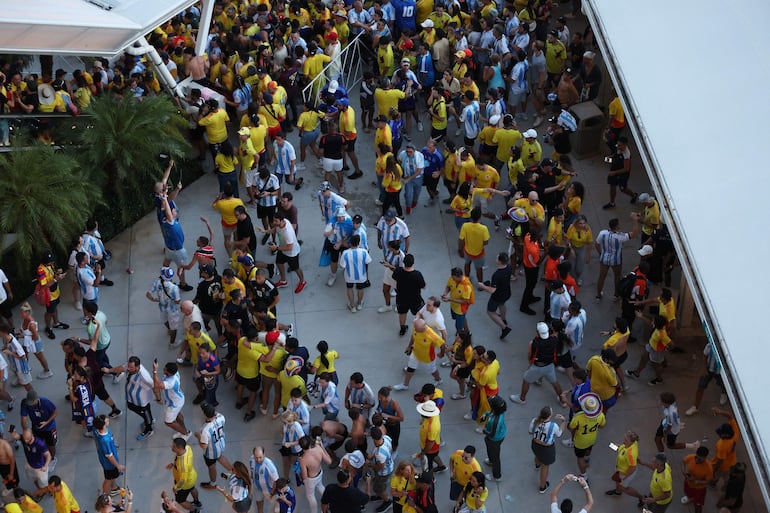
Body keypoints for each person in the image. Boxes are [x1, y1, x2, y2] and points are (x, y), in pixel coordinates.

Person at [510, 322, 564, 405]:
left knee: (526, 380)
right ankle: (562, 400)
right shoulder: (554, 339)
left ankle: (522, 398)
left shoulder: (534, 343)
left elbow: (530, 355)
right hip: (550, 366)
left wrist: (530, 364)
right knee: (554, 382)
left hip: (538, 366)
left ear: (538, 332)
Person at [594, 215, 639, 302]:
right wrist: (635, 221)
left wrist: (601, 253)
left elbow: (597, 243)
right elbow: (635, 233)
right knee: (617, 277)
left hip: (604, 258)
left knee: (601, 277)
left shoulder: (602, 233)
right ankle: (616, 295)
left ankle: (598, 295)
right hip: (616, 260)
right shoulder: (620, 236)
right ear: (617, 226)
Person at [392, 319, 446, 391]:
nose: (416, 330)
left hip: (428, 357)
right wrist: (409, 346)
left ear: (424, 328)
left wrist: (442, 353)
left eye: (418, 330)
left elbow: (442, 344)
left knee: (432, 370)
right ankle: (405, 385)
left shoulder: (432, 335)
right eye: (415, 328)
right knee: (410, 367)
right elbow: (413, 336)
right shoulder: (416, 327)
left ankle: (438, 380)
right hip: (416, 352)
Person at [567, 393, 605, 480]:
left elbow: (571, 427)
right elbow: (602, 426)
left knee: (580, 458)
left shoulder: (578, 417)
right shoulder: (600, 415)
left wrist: (573, 436)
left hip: (580, 441)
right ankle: (587, 459)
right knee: (588, 450)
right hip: (592, 438)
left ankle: (584, 475)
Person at [529, 406, 566, 493]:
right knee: (545, 466)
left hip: (535, 444)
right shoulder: (553, 426)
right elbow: (559, 434)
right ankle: (542, 486)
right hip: (547, 449)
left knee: (537, 455)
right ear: (550, 415)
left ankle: (537, 465)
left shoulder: (534, 420)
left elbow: (530, 431)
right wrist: (564, 421)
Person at [195, 403, 232, 490]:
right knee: (220, 457)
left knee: (211, 466)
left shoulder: (205, 430)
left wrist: (198, 436)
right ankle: (233, 472)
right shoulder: (221, 417)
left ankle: (213, 484)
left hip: (211, 452)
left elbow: (203, 446)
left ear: (204, 414)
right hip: (221, 444)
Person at [269, 213, 307, 293]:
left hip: (291, 253)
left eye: (276, 221)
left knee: (295, 268)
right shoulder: (281, 223)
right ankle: (283, 281)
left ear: (282, 221)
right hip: (283, 248)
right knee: (279, 262)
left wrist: (276, 248)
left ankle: (302, 282)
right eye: (274, 220)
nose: (274, 222)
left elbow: (290, 247)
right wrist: (265, 231)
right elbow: (275, 229)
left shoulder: (287, 232)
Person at [478, 253, 513, 339]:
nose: (496, 258)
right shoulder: (509, 267)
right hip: (506, 292)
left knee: (490, 312)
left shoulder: (497, 275)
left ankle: (504, 327)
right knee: (502, 304)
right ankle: (503, 319)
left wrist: (482, 286)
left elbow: (492, 290)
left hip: (497, 296)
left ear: (500, 262)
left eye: (497, 257)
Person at [36, 251, 69, 340]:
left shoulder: (50, 265)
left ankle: (56, 323)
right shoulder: (40, 270)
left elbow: (52, 275)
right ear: (46, 261)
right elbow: (43, 285)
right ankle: (48, 328)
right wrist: (56, 279)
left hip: (55, 292)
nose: (53, 262)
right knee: (49, 312)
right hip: (49, 296)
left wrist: (57, 273)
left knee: (55, 308)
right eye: (51, 261)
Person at [146, 267, 182, 347]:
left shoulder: (157, 282)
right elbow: (177, 301)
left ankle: (169, 329)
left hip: (162, 307)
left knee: (164, 320)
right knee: (174, 327)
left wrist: (154, 299)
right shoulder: (174, 287)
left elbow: (148, 294)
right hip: (172, 309)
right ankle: (172, 343)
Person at [19, 390, 58, 464]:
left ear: (37, 399)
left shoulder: (45, 402)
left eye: (32, 402)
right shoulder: (25, 402)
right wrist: (26, 430)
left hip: (49, 427)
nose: (30, 405)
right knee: (38, 444)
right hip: (36, 427)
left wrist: (47, 422)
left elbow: (56, 412)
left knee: (51, 445)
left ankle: (52, 459)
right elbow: (23, 418)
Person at [339, 234, 372, 313]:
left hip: (349, 276)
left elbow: (342, 265)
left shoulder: (345, 253)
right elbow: (368, 261)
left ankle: (352, 306)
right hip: (361, 276)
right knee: (360, 289)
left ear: (350, 243)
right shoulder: (364, 252)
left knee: (349, 288)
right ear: (358, 243)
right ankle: (359, 304)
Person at [602, 136, 637, 209]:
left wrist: (614, 172)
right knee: (612, 185)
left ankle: (633, 195)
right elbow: (614, 156)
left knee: (623, 189)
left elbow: (626, 169)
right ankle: (612, 203)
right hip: (615, 168)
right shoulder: (617, 147)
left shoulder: (626, 154)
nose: (618, 146)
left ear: (625, 145)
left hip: (622, 173)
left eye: (620, 145)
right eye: (618, 144)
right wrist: (609, 159)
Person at [93, 415, 124, 494]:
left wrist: (113, 445)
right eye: (107, 421)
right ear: (103, 425)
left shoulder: (96, 430)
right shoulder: (105, 440)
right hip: (109, 464)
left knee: (111, 476)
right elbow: (110, 457)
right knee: (108, 479)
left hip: (104, 458)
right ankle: (104, 496)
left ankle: (114, 488)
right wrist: (118, 466)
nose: (108, 420)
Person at [168, 438, 201, 512]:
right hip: (192, 476)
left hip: (185, 484)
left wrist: (176, 487)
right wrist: (173, 464)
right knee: (192, 488)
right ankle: (197, 502)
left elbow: (182, 481)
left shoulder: (183, 466)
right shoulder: (187, 448)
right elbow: (179, 459)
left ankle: (193, 510)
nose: (171, 447)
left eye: (174, 446)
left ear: (179, 448)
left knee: (181, 500)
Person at [605, 430, 639, 498]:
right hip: (620, 469)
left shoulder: (630, 454)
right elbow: (622, 447)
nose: (623, 441)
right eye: (624, 438)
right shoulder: (633, 443)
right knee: (618, 482)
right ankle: (618, 492)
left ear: (631, 442)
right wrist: (615, 447)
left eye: (626, 440)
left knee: (625, 489)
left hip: (624, 473)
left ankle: (641, 497)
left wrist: (624, 477)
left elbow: (633, 467)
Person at [441, 268, 474, 334]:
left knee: (458, 327)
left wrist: (450, 299)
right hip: (454, 306)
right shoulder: (452, 278)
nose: (452, 279)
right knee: (460, 319)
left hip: (461, 310)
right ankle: (467, 331)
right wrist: (445, 293)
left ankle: (458, 337)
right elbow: (448, 286)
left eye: (454, 278)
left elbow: (465, 301)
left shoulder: (466, 287)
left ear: (460, 276)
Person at [416, 400, 446, 473]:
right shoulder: (434, 415)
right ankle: (441, 466)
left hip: (430, 448)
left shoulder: (432, 427)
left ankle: (431, 479)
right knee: (434, 456)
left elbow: (430, 443)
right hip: (434, 444)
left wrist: (423, 452)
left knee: (428, 465)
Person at [681, 446, 713, 513]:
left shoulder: (709, 468)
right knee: (688, 493)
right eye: (696, 457)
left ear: (705, 457)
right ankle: (690, 498)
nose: (697, 460)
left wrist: (696, 481)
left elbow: (708, 481)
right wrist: (684, 471)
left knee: (698, 505)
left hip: (699, 489)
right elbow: (683, 461)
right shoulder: (691, 457)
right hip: (688, 483)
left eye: (700, 459)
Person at [249, 446, 279, 513]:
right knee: (259, 505)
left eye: (260, 457)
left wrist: (272, 493)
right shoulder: (251, 459)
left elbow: (276, 481)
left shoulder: (269, 465)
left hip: (269, 490)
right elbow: (251, 470)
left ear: (264, 454)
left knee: (275, 507)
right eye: (256, 457)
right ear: (253, 455)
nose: (258, 460)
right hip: (257, 488)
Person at [519, 231, 542, 315]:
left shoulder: (527, 237)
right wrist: (546, 252)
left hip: (526, 264)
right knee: (529, 285)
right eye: (539, 236)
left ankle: (530, 297)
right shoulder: (533, 250)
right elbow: (538, 262)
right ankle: (524, 306)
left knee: (533, 282)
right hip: (532, 268)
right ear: (535, 237)